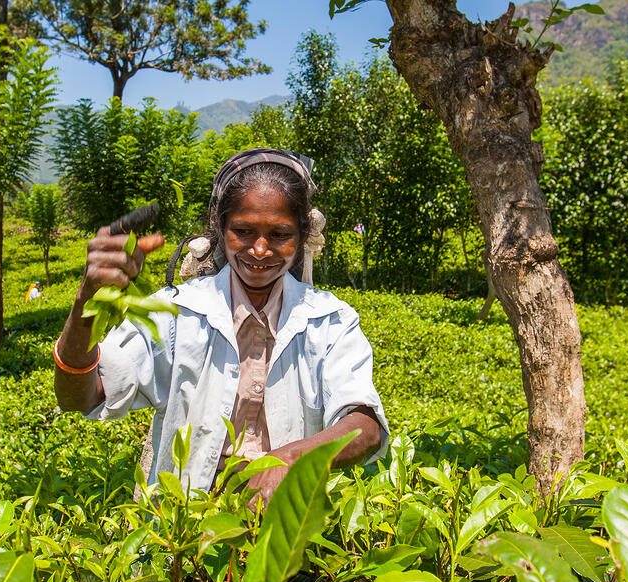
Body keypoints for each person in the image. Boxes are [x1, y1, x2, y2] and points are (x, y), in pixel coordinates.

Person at [52, 148, 388, 504]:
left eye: (279, 234)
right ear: (220, 225)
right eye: (243, 231)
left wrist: (288, 459)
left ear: (303, 234)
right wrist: (85, 301)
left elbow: (364, 426)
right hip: (181, 535)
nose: (260, 250)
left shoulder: (330, 320)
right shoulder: (174, 311)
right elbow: (81, 396)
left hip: (285, 527)